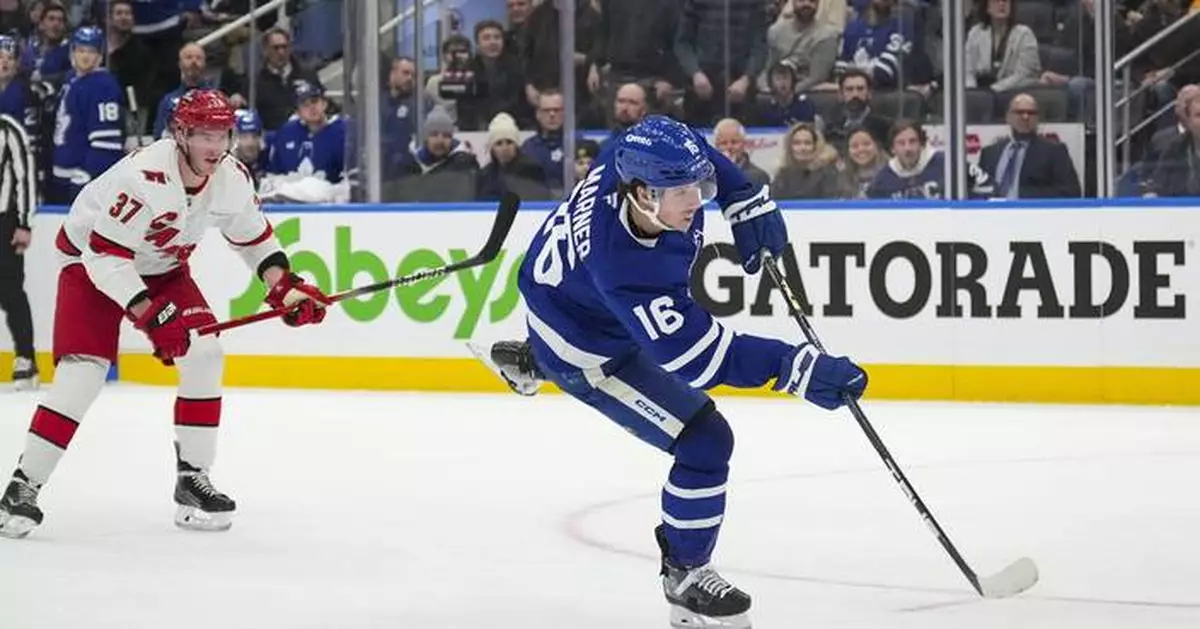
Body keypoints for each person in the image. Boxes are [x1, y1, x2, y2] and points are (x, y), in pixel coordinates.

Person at [472, 115, 867, 628]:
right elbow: (698, 357)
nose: (695, 200)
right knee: (705, 441)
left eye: (697, 186)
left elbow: (683, 144)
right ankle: (684, 574)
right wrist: (796, 367)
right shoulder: (627, 266)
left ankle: (531, 358)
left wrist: (742, 194)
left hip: (570, 299)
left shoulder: (630, 154)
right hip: (589, 350)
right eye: (680, 190)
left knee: (635, 343)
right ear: (640, 193)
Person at [0, 89, 332, 539]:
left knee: (206, 354)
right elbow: (106, 258)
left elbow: (254, 239)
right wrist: (152, 317)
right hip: (90, 263)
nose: (215, 146)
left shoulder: (231, 176)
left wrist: (285, 288)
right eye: (203, 135)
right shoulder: (143, 177)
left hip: (162, 266)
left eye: (223, 134)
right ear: (180, 133)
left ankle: (191, 480)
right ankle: (23, 487)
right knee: (83, 375)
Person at [48, 26, 125, 204]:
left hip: (81, 179)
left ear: (100, 55)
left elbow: (106, 144)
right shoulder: (72, 79)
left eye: (91, 51)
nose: (85, 56)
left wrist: (88, 174)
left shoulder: (103, 86)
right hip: (62, 175)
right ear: (72, 52)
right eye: (80, 50)